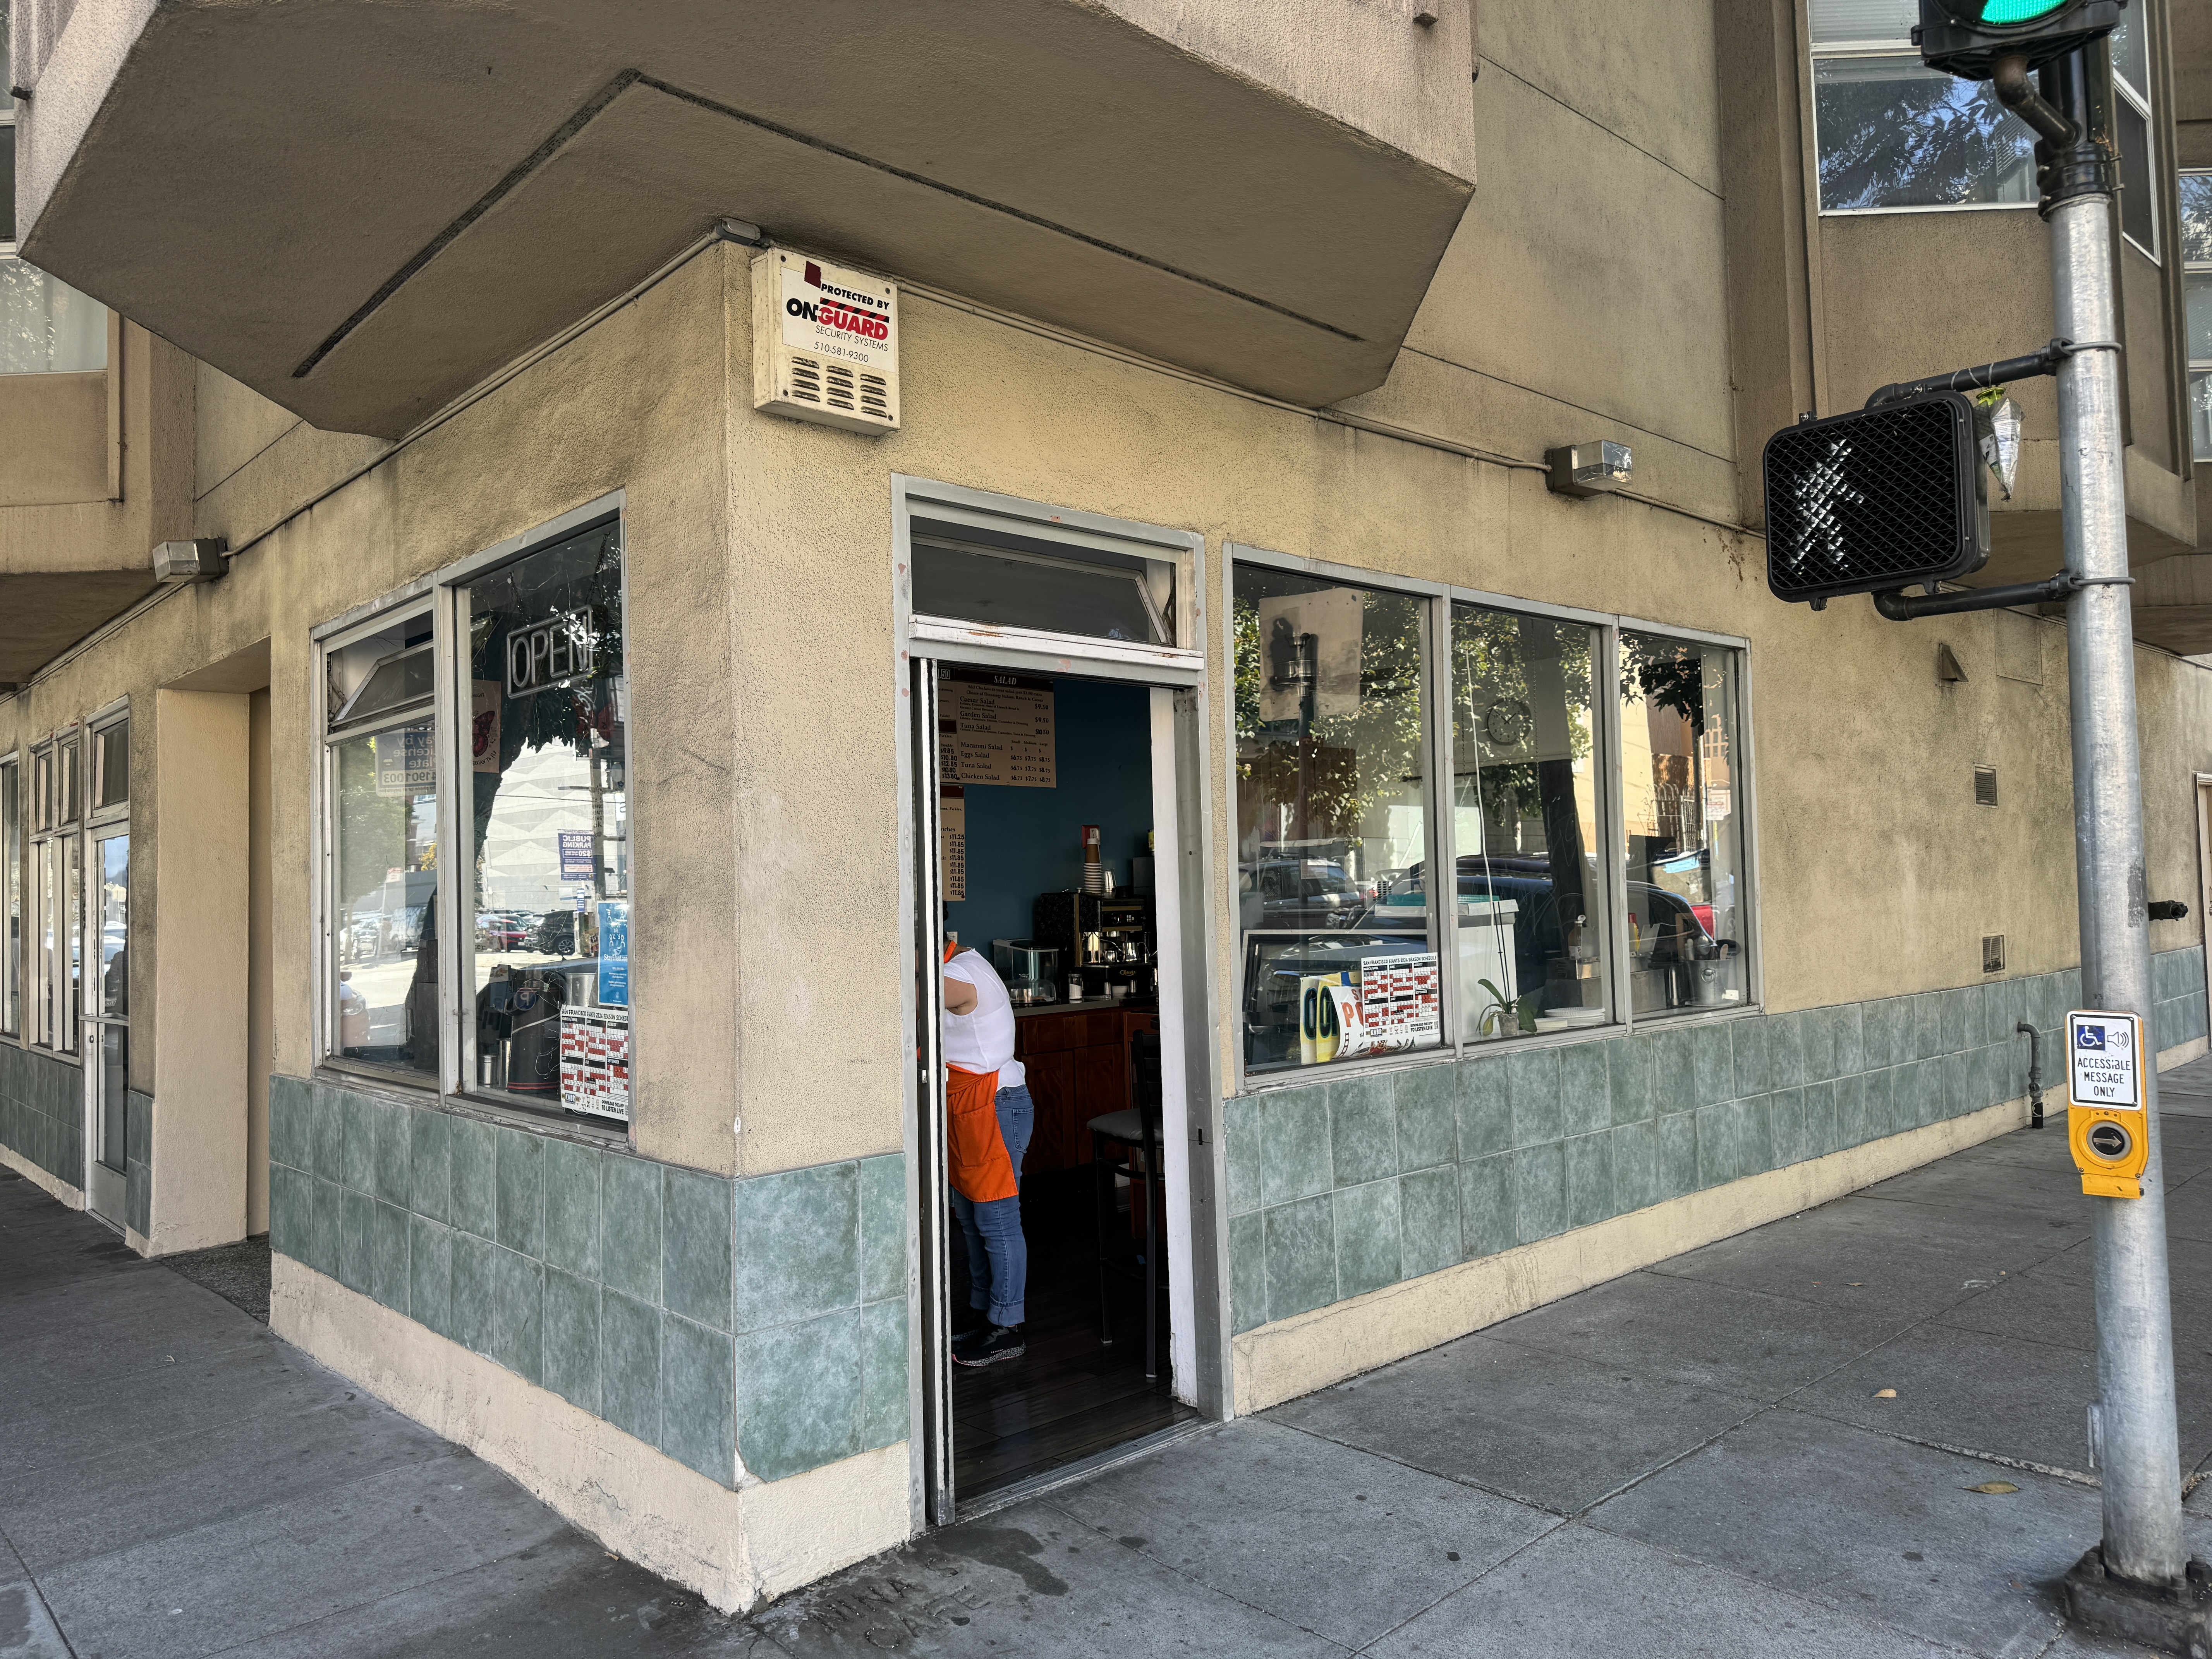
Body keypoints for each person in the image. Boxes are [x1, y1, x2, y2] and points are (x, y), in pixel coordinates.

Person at [942, 939, 1033, 1367]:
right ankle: (985, 1314)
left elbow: (913, 996)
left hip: (995, 1104)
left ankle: (1008, 1327)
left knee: (997, 1220)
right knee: (972, 1217)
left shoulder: (962, 975)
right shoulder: (960, 966)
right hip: (966, 1106)